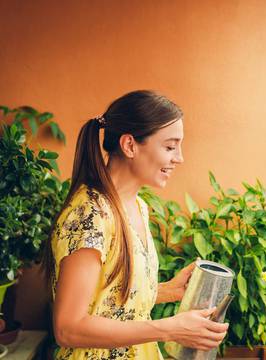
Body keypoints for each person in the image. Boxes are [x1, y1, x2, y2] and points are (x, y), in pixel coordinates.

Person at [41, 90, 228, 359]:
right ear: (129, 145)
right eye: (170, 146)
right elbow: (69, 328)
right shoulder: (90, 214)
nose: (179, 158)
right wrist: (168, 329)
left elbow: (110, 304)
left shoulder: (138, 206)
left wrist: (166, 291)